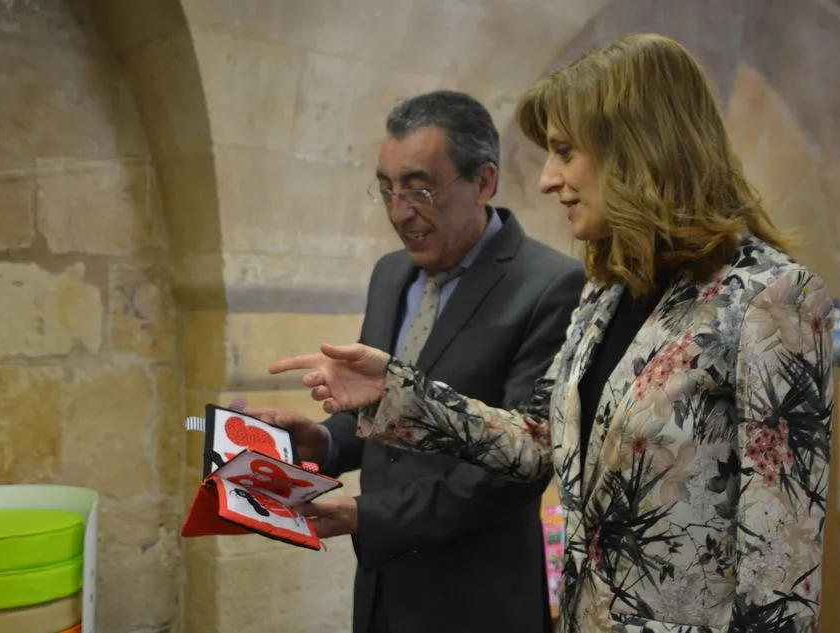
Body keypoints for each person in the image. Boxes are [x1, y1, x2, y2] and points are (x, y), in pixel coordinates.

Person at [267, 35, 836, 633]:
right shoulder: (608, 291)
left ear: (637, 147)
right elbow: (538, 441)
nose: (546, 178)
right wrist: (396, 392)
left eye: (564, 151)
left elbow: (781, 577)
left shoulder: (771, 298)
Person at [248, 90, 586, 633]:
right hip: (384, 589)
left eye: (419, 189)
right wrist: (325, 442)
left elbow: (519, 468)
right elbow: (380, 413)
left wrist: (367, 515)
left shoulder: (549, 286)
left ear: (484, 182)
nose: (399, 212)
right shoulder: (390, 274)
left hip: (478, 599)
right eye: (386, 189)